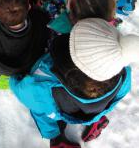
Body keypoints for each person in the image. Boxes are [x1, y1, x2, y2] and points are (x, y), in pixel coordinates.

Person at [10, 18, 138, 147]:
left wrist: (13, 79)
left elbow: (21, 90)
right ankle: (94, 121)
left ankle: (55, 138)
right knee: (97, 109)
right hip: (97, 108)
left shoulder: (42, 83)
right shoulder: (124, 75)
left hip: (59, 109)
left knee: (40, 112)